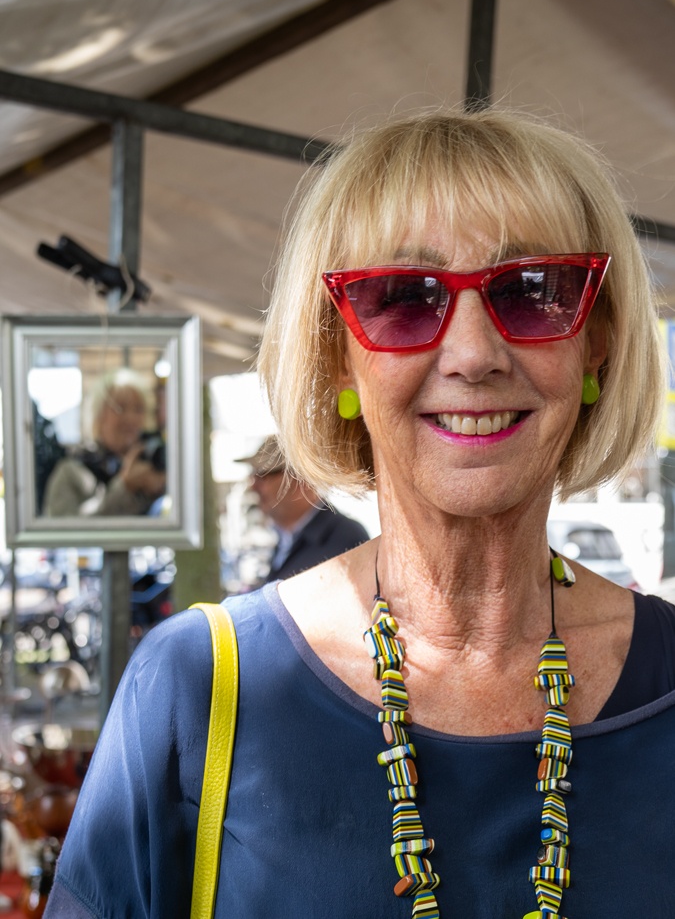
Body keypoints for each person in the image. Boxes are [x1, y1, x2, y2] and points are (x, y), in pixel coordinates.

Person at [45, 108, 671, 918]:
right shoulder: (199, 688)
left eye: (531, 291)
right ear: (339, 357)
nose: (474, 354)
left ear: (598, 344)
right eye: (402, 299)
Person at [42, 368, 166, 517]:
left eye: (138, 409)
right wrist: (125, 487)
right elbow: (62, 533)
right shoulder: (71, 473)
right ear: (98, 416)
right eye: (120, 408)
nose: (131, 418)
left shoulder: (155, 466)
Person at [243, 435, 369, 581]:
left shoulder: (344, 539)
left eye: (262, 475)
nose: (253, 486)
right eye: (253, 475)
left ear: (300, 478)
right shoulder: (287, 539)